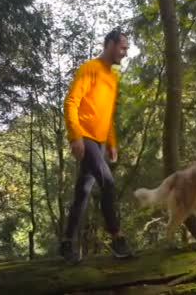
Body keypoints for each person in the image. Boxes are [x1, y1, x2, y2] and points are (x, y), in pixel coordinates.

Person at [59, 28, 132, 262]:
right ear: (109, 44)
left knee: (83, 192)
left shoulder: (112, 76)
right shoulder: (88, 69)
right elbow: (70, 102)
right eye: (123, 47)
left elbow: (107, 114)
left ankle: (67, 243)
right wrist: (75, 136)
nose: (125, 52)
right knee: (108, 183)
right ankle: (117, 239)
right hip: (86, 137)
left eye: (126, 48)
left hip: (100, 142)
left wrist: (111, 142)